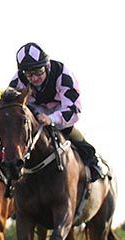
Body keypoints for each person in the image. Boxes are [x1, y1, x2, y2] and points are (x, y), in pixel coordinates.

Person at [9, 42, 108, 182]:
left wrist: (52, 119)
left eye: (38, 72)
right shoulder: (18, 80)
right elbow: (11, 106)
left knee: (66, 128)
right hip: (35, 111)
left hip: (61, 109)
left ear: (47, 66)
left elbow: (74, 110)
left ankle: (92, 159)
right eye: (29, 75)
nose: (35, 78)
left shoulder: (63, 74)